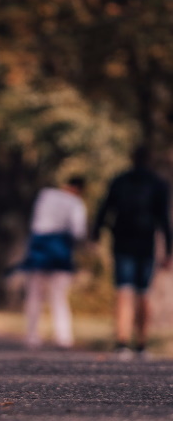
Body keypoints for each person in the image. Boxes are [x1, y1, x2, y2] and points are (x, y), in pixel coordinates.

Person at [92, 146, 172, 358]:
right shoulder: (158, 184)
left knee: (124, 291)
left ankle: (122, 343)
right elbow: (164, 219)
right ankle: (142, 345)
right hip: (146, 244)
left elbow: (105, 208)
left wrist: (96, 234)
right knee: (143, 293)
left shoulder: (120, 180)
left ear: (131, 158)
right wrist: (169, 251)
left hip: (122, 242)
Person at [19, 177, 88, 350]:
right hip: (60, 250)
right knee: (59, 295)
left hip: (39, 247)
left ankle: (32, 335)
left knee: (35, 294)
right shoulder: (76, 203)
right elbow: (78, 231)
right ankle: (63, 336)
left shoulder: (45, 195)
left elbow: (35, 220)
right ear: (80, 189)